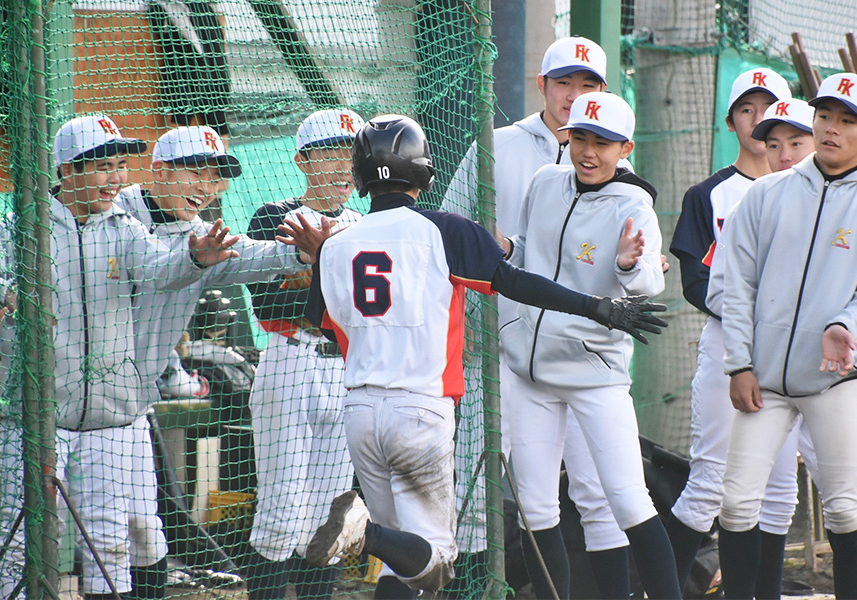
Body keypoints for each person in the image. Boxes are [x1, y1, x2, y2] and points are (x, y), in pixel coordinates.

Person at [285, 114, 666, 600]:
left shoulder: (336, 245)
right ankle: (366, 534)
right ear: (423, 170)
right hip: (419, 410)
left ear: (359, 176)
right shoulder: (447, 230)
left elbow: (322, 319)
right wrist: (597, 306)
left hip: (359, 411)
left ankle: (372, 535)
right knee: (434, 561)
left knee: (401, 565)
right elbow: (515, 282)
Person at [0, 114, 242, 599]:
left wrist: (195, 258)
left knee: (109, 550)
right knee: (14, 543)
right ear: (66, 170)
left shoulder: (124, 227)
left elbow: (158, 268)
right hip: (29, 418)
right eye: (103, 166)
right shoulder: (21, 225)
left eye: (119, 165)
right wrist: (7, 294)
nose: (115, 177)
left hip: (106, 422)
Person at [443, 36, 637, 598]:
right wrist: (464, 325)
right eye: (563, 83)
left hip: (581, 351)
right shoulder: (498, 144)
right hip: (498, 344)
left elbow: (634, 252)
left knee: (599, 494)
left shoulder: (618, 160)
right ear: (542, 86)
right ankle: (470, 589)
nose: (574, 95)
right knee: (479, 487)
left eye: (588, 85)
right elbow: (452, 231)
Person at [494, 91, 680, 599]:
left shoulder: (633, 202)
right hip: (529, 371)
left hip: (593, 373)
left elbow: (648, 286)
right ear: (565, 138)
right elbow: (532, 252)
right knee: (536, 508)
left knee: (626, 501)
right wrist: (507, 247)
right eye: (579, 138)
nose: (589, 151)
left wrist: (625, 264)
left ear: (626, 148)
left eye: (603, 141)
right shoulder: (544, 181)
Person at [718, 72, 857, 599]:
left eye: (847, 120)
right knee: (736, 503)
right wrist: (739, 364)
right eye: (824, 115)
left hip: (832, 379)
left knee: (846, 506)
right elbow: (737, 285)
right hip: (765, 379)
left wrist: (844, 326)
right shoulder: (766, 194)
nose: (831, 128)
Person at [114, 123, 308, 598]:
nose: (208, 186)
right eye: (196, 171)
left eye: (217, 176)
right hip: (50, 404)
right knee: (37, 535)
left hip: (127, 412)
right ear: (159, 170)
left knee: (139, 534)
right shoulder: (113, 215)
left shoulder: (204, 237)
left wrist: (304, 252)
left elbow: (259, 255)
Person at [665, 68, 804, 595]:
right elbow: (695, 281)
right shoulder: (711, 194)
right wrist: (753, 311)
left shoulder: (813, 193)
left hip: (792, 351)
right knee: (709, 485)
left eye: (770, 108)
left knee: (780, 488)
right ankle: (664, 588)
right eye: (748, 109)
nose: (759, 118)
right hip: (730, 344)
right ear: (732, 122)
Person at [240, 108, 365, 600]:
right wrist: (336, 287)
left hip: (348, 373)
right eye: (330, 152)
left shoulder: (366, 223)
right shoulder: (276, 216)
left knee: (328, 523)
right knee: (280, 513)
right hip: (291, 359)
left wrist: (317, 279)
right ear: (302, 160)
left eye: (352, 155)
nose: (342, 167)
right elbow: (270, 302)